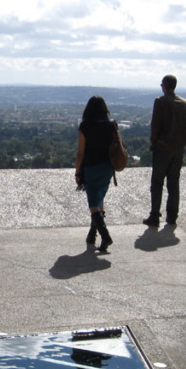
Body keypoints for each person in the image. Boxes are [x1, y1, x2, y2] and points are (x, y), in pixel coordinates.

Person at [143, 75, 186, 227]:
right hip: (178, 149)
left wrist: (154, 142)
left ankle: (155, 215)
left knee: (157, 183)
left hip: (162, 148)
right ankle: (172, 216)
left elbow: (155, 125)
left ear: (164, 86)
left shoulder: (160, 101)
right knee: (173, 183)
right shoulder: (185, 104)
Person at [75, 95, 117, 252]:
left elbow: (81, 152)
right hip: (107, 167)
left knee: (93, 204)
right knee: (99, 201)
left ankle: (105, 236)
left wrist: (78, 171)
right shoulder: (111, 126)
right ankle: (92, 236)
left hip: (91, 167)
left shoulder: (85, 127)